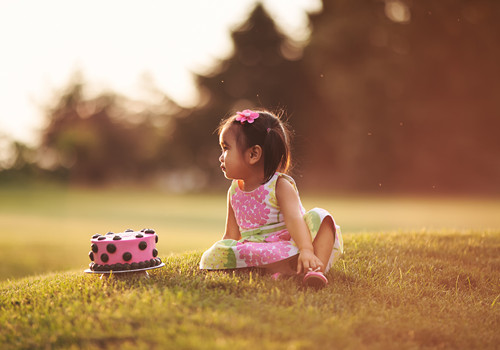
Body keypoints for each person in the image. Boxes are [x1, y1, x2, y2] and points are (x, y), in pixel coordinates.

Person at [199, 109, 343, 288]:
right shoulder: (234, 191)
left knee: (322, 217)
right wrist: (222, 255)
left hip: (289, 247)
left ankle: (313, 269)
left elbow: (295, 221)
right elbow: (231, 235)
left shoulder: (279, 185)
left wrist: (306, 249)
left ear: (253, 155)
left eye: (226, 148)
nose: (221, 157)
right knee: (216, 252)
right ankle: (280, 271)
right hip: (256, 250)